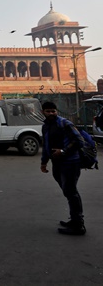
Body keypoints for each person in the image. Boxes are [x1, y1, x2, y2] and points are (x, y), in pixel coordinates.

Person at [40, 101, 86, 235]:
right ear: (43, 112)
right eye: (48, 111)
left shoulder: (64, 123)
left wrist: (64, 151)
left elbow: (79, 141)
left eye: (53, 111)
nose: (51, 113)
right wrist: (44, 162)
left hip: (70, 162)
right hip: (57, 163)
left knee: (71, 192)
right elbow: (46, 145)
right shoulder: (46, 126)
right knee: (67, 191)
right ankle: (74, 219)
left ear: (56, 111)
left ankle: (79, 225)